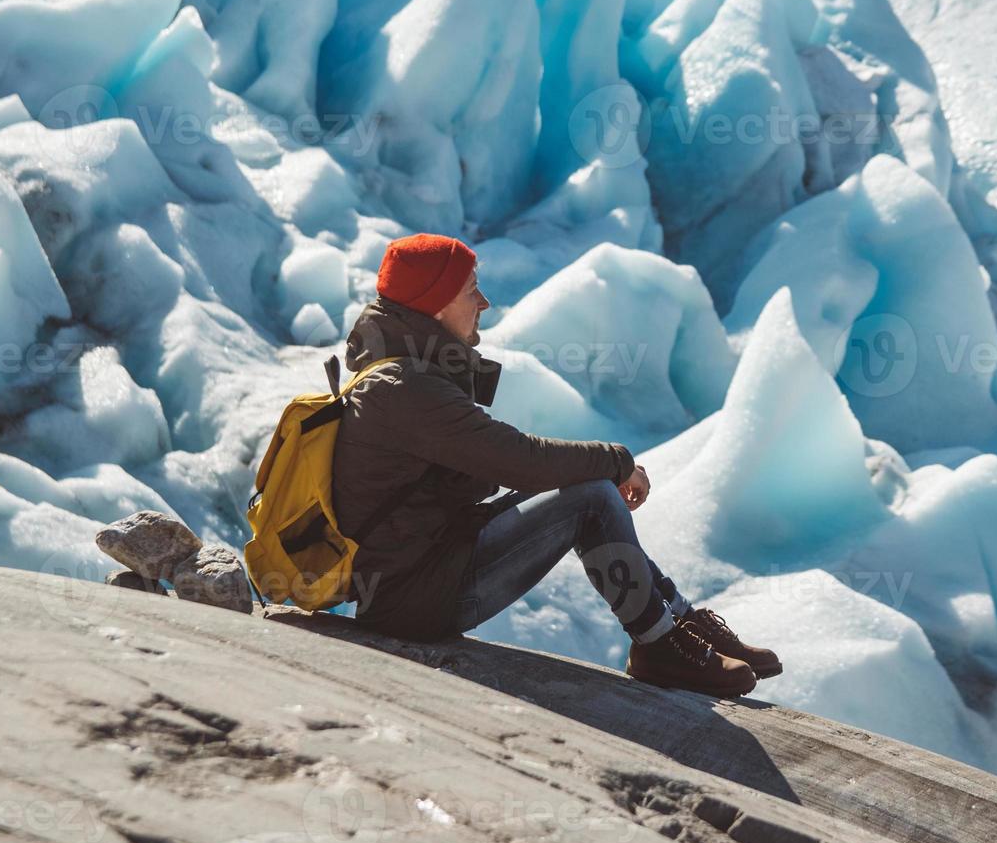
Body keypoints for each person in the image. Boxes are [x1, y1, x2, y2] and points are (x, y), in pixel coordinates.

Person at [331, 233, 781, 698]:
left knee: (585, 484)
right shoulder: (403, 388)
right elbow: (520, 461)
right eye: (470, 290)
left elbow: (491, 469)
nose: (483, 302)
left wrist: (591, 468)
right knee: (590, 496)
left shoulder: (405, 375)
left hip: (426, 574)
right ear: (437, 304)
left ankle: (681, 622)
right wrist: (616, 460)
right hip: (416, 601)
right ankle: (658, 644)